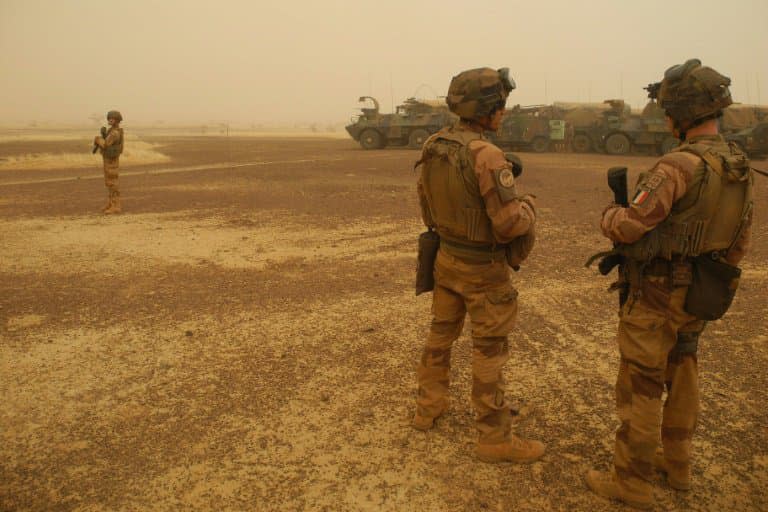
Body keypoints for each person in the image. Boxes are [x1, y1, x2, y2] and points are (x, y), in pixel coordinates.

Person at [587, 59, 753, 509]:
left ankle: (631, 482)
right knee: (684, 376)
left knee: (642, 386)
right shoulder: (736, 164)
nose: (664, 119)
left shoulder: (677, 165)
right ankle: (677, 465)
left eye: (666, 111)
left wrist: (609, 216)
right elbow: (740, 236)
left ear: (681, 113)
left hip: (657, 293)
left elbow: (631, 226)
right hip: (702, 291)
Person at [412, 67, 544, 463]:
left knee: (440, 337)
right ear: (486, 110)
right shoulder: (486, 155)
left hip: (447, 260)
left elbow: (426, 208)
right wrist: (529, 207)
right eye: (499, 106)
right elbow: (508, 226)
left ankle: (428, 409)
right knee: (489, 351)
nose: (503, 113)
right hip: (483, 271)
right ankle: (494, 437)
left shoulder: (434, 144)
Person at [93, 110, 124, 214]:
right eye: (109, 118)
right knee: (109, 183)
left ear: (117, 120)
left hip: (112, 162)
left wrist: (98, 140)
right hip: (108, 160)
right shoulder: (112, 130)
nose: (110, 120)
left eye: (112, 118)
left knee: (112, 183)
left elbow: (106, 144)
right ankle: (111, 203)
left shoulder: (115, 133)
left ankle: (116, 206)